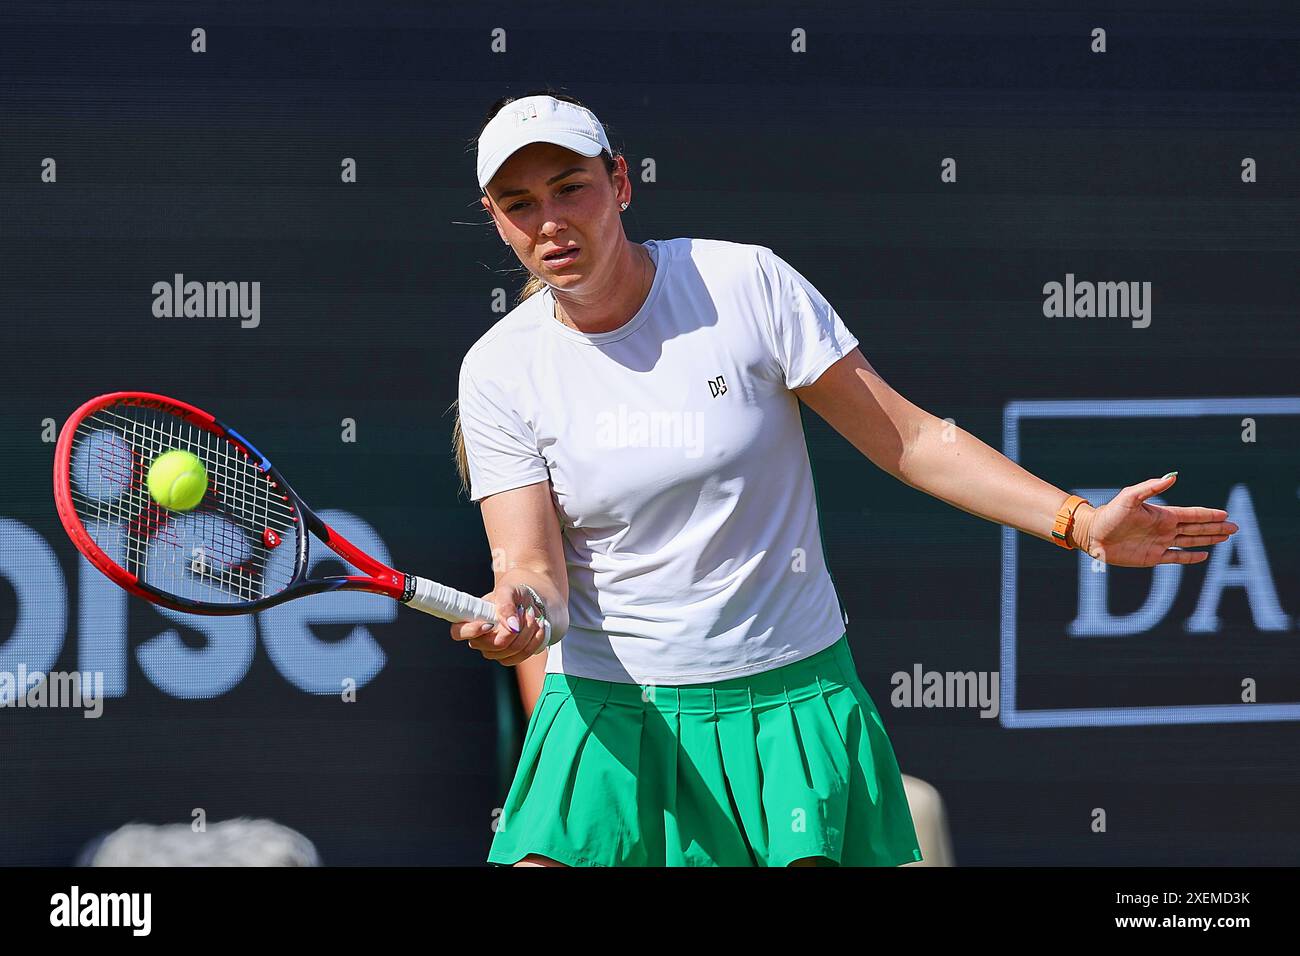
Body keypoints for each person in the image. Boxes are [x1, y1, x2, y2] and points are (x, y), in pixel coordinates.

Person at [450, 90, 1239, 867]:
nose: (550, 220)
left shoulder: (746, 285)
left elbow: (915, 439)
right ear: (494, 216)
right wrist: (520, 610)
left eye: (570, 188)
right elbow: (532, 571)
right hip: (609, 718)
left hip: (786, 706)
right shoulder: (498, 370)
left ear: (620, 182)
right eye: (520, 203)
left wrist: (1080, 522)